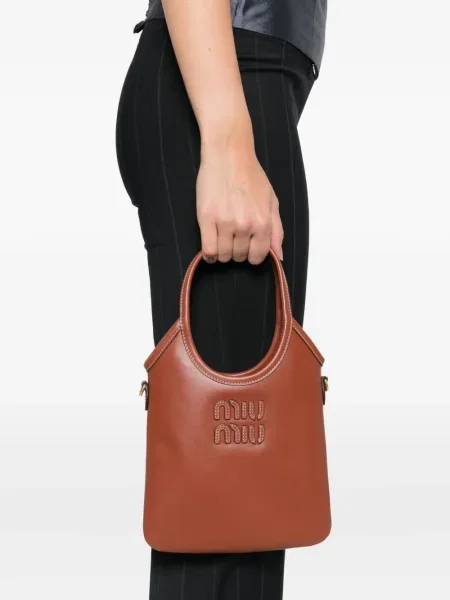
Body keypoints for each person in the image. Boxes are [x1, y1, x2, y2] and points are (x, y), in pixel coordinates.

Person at [115, 0, 327, 598]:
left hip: (229, 83)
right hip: (224, 84)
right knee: (224, 526)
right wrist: (228, 139)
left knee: (239, 518)